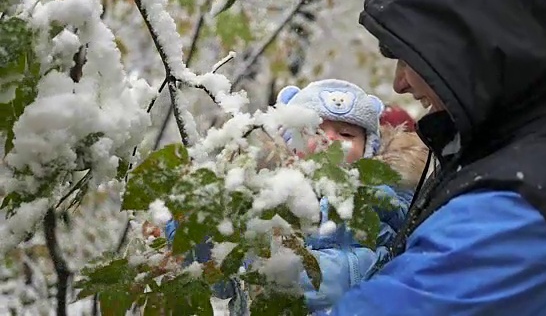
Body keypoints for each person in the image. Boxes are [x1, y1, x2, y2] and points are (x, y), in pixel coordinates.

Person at [316, 0, 546, 315]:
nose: (398, 84)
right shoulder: (538, 148)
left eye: (407, 58)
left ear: (457, 48)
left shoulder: (508, 211)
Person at [165, 79, 428, 313]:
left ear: (368, 151)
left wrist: (303, 278)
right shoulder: (265, 200)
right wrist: (191, 225)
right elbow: (224, 276)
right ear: (290, 145)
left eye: (347, 134)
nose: (330, 140)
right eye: (314, 131)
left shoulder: (386, 202)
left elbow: (391, 271)